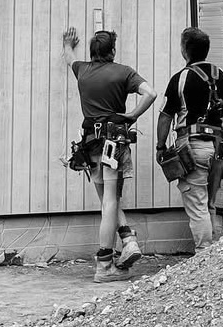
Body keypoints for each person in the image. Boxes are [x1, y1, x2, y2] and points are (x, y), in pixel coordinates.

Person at [62, 27, 157, 283]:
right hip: (114, 142)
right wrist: (134, 115)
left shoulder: (82, 70)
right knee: (111, 202)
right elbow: (151, 93)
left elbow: (69, 57)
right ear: (112, 51)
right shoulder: (124, 72)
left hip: (90, 145)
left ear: (93, 52)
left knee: (107, 199)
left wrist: (68, 43)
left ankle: (127, 239)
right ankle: (105, 265)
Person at [156, 27, 223, 252]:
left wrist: (161, 147)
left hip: (194, 147)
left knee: (198, 204)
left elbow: (165, 118)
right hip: (220, 148)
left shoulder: (181, 78)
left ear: (185, 50)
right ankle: (213, 258)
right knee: (211, 203)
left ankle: (203, 256)